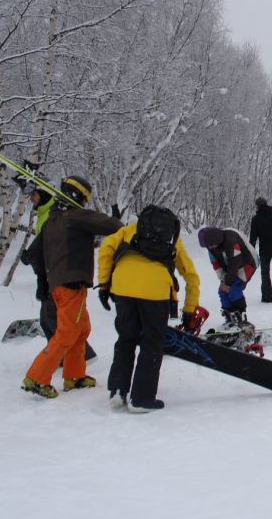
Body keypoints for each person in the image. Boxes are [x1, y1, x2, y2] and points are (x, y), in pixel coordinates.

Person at [21, 176, 122, 398]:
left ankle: (74, 376)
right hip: (70, 285)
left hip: (59, 285)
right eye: (85, 199)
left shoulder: (52, 221)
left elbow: (34, 253)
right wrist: (116, 219)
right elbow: (113, 226)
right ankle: (36, 377)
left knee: (80, 330)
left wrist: (43, 282)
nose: (85, 204)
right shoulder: (75, 216)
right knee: (66, 333)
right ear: (78, 197)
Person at [97, 205, 200, 412]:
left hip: (123, 288)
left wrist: (104, 284)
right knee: (152, 343)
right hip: (155, 292)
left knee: (125, 339)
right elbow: (191, 276)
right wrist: (189, 311)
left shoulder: (129, 230)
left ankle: (117, 390)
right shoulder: (172, 239)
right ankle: (141, 399)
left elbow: (106, 248)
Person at [17, 171, 96, 362]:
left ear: (43, 195)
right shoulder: (47, 213)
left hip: (58, 275)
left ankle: (73, 356)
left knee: (53, 318)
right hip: (53, 274)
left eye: (33, 195)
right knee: (53, 319)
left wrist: (37, 265)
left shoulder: (53, 214)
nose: (31, 200)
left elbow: (50, 246)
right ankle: (74, 356)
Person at [197, 226, 257, 326]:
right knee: (222, 291)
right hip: (230, 268)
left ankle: (241, 317)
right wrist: (223, 280)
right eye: (208, 246)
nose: (210, 248)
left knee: (234, 289)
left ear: (215, 239)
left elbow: (235, 262)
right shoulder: (211, 246)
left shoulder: (231, 239)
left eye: (211, 245)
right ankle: (230, 317)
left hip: (247, 264)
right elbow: (216, 265)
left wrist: (228, 282)